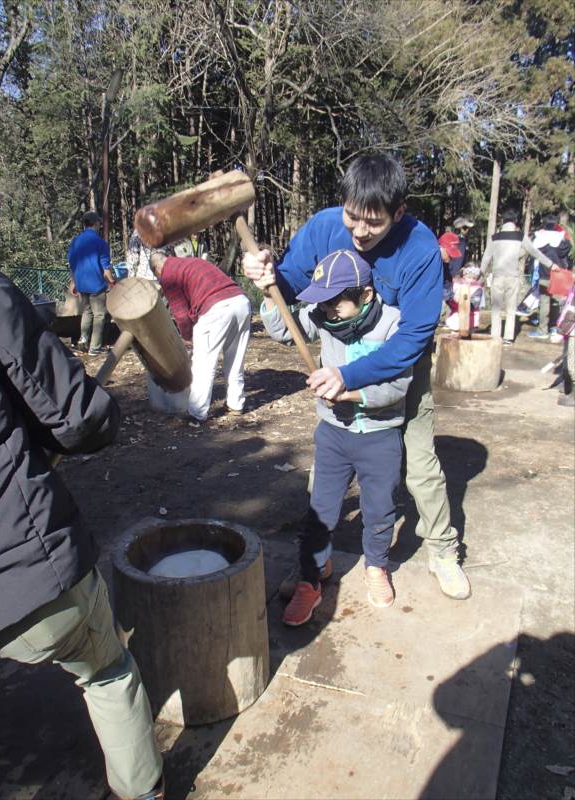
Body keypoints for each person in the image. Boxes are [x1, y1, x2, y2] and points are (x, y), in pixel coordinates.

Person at [243, 153, 471, 601]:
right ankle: (314, 560)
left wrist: (350, 378)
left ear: (398, 213)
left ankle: (443, 550)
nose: (360, 232)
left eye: (373, 222)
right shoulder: (327, 226)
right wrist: (267, 274)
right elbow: (289, 283)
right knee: (327, 469)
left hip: (400, 363)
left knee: (420, 463)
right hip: (341, 360)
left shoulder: (421, 250)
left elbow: (413, 338)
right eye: (352, 218)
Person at [0, 262, 164, 800]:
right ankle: (142, 792)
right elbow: (76, 417)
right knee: (107, 671)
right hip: (20, 560)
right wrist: (100, 412)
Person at [261, 250, 411, 624]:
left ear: (366, 295)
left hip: (379, 435)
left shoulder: (394, 324)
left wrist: (350, 393)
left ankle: (376, 566)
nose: (327, 311)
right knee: (320, 510)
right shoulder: (322, 315)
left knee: (379, 509)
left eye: (335, 302)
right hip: (334, 434)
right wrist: (268, 293)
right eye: (322, 304)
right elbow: (283, 329)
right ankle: (311, 579)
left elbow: (398, 386)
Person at [150, 251, 252, 422]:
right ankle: (236, 403)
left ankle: (196, 413)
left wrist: (188, 337)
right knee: (235, 357)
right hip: (241, 302)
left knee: (203, 363)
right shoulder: (192, 262)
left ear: (157, 268)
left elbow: (181, 314)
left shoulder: (168, 273)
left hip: (216, 308)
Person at [480, 208, 558, 346]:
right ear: (515, 221)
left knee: (496, 309)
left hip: (497, 277)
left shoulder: (494, 237)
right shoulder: (520, 236)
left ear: (502, 221)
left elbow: (486, 257)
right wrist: (551, 265)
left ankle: (494, 336)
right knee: (511, 309)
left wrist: (480, 274)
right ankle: (508, 338)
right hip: (513, 277)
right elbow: (535, 253)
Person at [67, 210, 114, 356]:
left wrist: (73, 282)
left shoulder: (75, 241)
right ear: (95, 224)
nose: (100, 225)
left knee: (87, 312)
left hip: (81, 283)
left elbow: (72, 263)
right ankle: (94, 347)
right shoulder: (100, 242)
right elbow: (105, 266)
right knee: (99, 315)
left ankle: (83, 340)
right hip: (96, 284)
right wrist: (112, 282)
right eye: (99, 222)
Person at [528, 214, 572, 340]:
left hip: (544, 274)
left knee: (544, 302)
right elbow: (566, 252)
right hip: (559, 276)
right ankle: (555, 328)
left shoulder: (539, 237)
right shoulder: (561, 238)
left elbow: (533, 251)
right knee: (557, 302)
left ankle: (542, 330)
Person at [445, 262, 485, 332]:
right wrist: (453, 299)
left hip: (471, 319)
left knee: (468, 339)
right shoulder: (456, 285)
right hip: (456, 317)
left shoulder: (477, 289)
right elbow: (448, 298)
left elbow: (474, 304)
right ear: (463, 275)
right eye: (469, 277)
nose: (471, 280)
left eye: (474, 278)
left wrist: (463, 301)